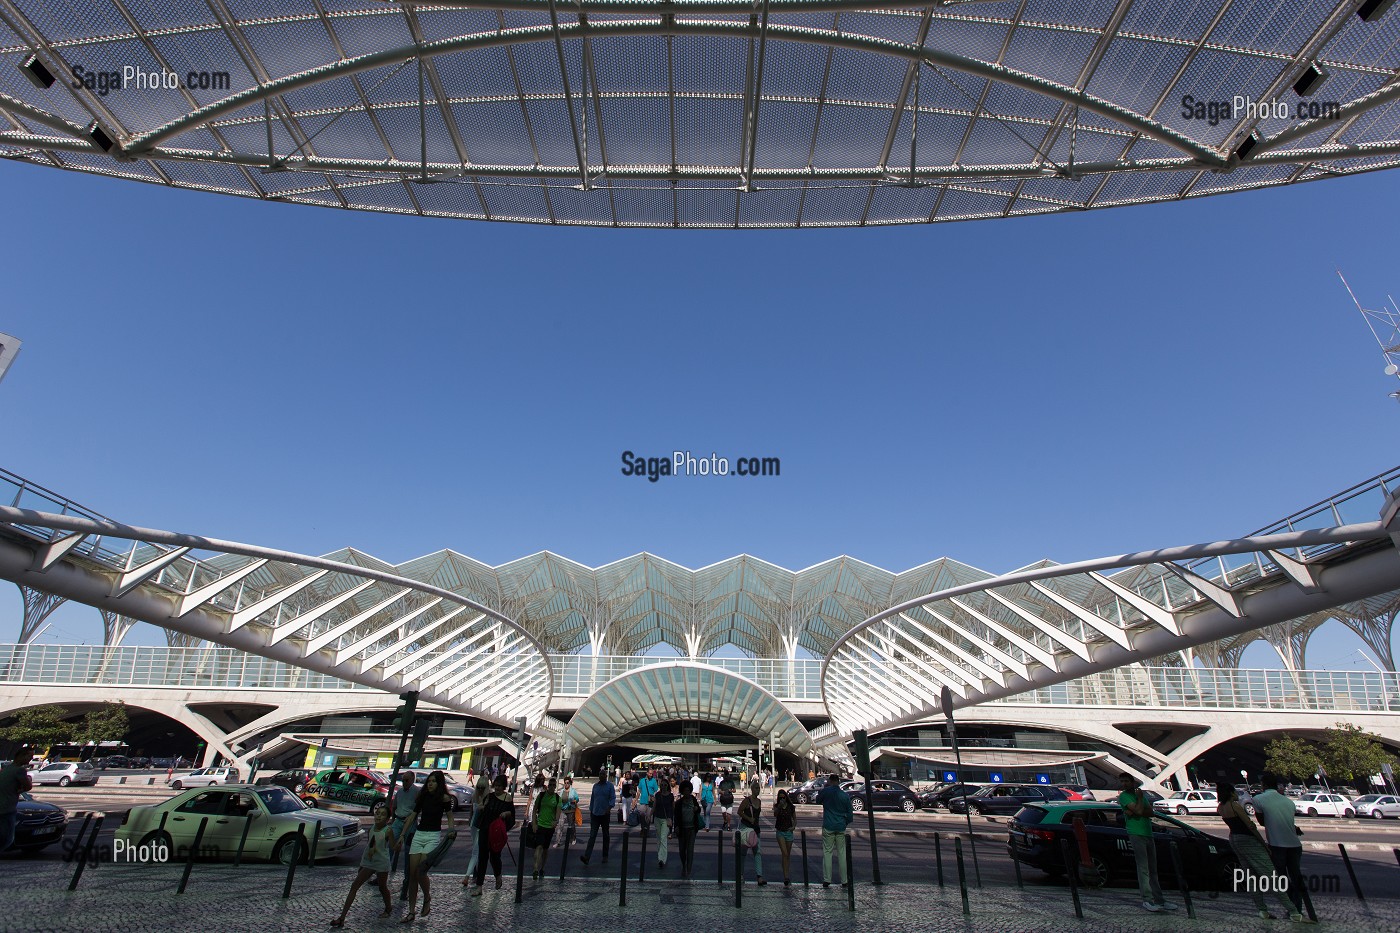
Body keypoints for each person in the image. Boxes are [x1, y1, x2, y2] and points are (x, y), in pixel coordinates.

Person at [1217, 783, 1292, 920]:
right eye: (1234, 792)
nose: (1236, 795)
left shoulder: (1221, 808)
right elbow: (1250, 826)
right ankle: (1293, 911)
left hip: (1234, 839)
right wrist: (1263, 844)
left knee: (1251, 877)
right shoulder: (1235, 806)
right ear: (1230, 793)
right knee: (1270, 875)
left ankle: (1262, 910)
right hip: (1247, 840)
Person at [1254, 772, 1313, 923]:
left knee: (1281, 879)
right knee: (1295, 876)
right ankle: (1297, 908)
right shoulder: (1288, 802)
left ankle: (1291, 906)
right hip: (1295, 845)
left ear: (1264, 785)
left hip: (1277, 845)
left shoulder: (1258, 799)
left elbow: (1262, 822)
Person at [400, 770, 456, 922]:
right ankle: (411, 911)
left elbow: (450, 817)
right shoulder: (423, 797)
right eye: (429, 781)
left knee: (421, 871)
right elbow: (413, 815)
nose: (430, 784)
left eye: (433, 781)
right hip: (419, 835)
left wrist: (451, 830)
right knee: (412, 874)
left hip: (432, 836)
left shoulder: (444, 798)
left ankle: (427, 897)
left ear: (439, 783)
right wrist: (402, 834)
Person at [1116, 773, 1176, 913]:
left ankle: (1160, 900)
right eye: (1122, 781)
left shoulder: (1136, 796)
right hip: (1136, 833)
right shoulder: (1124, 796)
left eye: (1126, 781)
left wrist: (1137, 810)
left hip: (1148, 832)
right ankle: (1147, 900)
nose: (1124, 784)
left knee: (1153, 869)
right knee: (1143, 868)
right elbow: (1138, 810)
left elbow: (1150, 813)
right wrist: (1140, 801)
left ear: (1132, 782)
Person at [331, 804, 397, 926]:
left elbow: (393, 847)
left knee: (382, 887)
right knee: (354, 886)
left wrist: (400, 842)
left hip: (381, 862)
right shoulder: (371, 828)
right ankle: (342, 918)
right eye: (377, 813)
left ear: (387, 819)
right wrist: (363, 863)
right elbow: (368, 847)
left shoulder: (387, 831)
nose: (379, 816)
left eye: (383, 815)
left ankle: (388, 908)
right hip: (369, 862)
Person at [470, 775, 516, 895]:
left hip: (496, 831)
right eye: (495, 786)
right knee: (482, 857)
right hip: (485, 828)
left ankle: (498, 875)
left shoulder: (507, 798)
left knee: (495, 857)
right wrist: (480, 807)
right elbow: (482, 807)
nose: (497, 788)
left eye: (499, 786)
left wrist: (506, 814)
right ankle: (479, 886)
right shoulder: (489, 796)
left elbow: (512, 814)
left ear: (504, 787)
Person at [816, 776, 852, 888]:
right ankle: (844, 880)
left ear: (830, 781)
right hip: (840, 826)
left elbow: (818, 800)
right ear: (839, 782)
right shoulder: (844, 795)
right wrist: (845, 822)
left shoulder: (826, 792)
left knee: (827, 852)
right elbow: (850, 814)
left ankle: (827, 879)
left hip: (828, 824)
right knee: (842, 853)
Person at [0, 749, 34, 852]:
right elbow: (28, 787)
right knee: (7, 840)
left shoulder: (7, 768)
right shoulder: (19, 770)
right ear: (21, 756)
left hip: (3, 807)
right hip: (7, 809)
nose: (30, 760)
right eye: (29, 757)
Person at [580, 768, 615, 866]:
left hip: (605, 814)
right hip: (595, 813)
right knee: (592, 835)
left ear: (606, 776)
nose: (602, 776)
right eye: (600, 774)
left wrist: (609, 807)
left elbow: (613, 798)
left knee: (605, 835)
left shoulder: (610, 786)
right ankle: (587, 856)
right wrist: (591, 809)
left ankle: (605, 855)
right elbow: (592, 798)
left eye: (603, 774)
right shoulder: (595, 786)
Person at [531, 777, 561, 880]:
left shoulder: (557, 798)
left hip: (549, 827)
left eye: (554, 785)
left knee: (545, 849)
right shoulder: (542, 796)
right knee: (538, 846)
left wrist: (555, 821)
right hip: (541, 825)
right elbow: (535, 809)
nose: (552, 787)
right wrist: (534, 823)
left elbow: (558, 812)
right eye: (551, 785)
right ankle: (535, 868)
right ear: (548, 786)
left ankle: (542, 868)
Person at [737, 780, 767, 885]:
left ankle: (759, 876)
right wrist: (749, 819)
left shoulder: (759, 801)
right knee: (743, 853)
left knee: (757, 852)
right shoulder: (747, 801)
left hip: (755, 829)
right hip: (746, 828)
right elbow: (739, 811)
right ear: (752, 789)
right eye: (756, 788)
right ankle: (740, 875)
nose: (757, 790)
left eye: (758, 788)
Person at [389, 771, 419, 869]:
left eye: (406, 780)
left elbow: (418, 808)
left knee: (408, 850)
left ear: (411, 780)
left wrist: (412, 817)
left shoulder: (416, 791)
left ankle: (407, 878)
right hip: (398, 820)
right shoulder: (400, 791)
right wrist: (393, 819)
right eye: (403, 780)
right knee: (390, 846)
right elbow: (394, 806)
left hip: (410, 822)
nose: (404, 782)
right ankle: (383, 872)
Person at [462, 774, 489, 884]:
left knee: (476, 851)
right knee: (477, 850)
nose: (480, 790)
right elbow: (472, 810)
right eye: (479, 787)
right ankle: (476, 874)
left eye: (483, 788)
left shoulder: (488, 798)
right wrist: (470, 820)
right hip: (474, 825)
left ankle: (468, 876)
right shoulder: (475, 795)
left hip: (482, 826)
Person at [674, 780, 701, 878]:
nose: (686, 793)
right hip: (682, 828)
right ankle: (684, 865)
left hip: (692, 828)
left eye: (688, 790)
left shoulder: (693, 799)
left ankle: (688, 869)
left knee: (690, 849)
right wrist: (675, 827)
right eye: (685, 791)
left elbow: (698, 809)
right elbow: (676, 816)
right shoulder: (679, 803)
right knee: (682, 849)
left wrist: (696, 809)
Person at [772, 788, 796, 885]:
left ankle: (786, 876)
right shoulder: (777, 806)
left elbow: (795, 818)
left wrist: (793, 827)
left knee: (787, 855)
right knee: (785, 853)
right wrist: (779, 807)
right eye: (780, 798)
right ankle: (786, 876)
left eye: (784, 797)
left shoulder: (791, 807)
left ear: (786, 797)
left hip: (788, 831)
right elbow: (775, 814)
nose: (782, 799)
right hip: (780, 831)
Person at [653, 774, 674, 869]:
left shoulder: (670, 796)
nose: (663, 786)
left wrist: (672, 819)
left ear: (668, 786)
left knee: (663, 838)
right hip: (657, 818)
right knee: (658, 839)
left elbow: (673, 808)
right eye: (662, 785)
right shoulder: (657, 795)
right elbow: (654, 806)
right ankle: (659, 857)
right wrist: (649, 815)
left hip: (666, 819)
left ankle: (662, 859)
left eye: (665, 785)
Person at [555, 776, 579, 848]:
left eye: (567, 783)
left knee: (571, 825)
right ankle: (557, 841)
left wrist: (574, 801)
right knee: (560, 826)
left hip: (571, 810)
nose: (566, 784)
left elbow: (577, 798)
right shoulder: (562, 791)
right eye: (565, 783)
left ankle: (573, 838)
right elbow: (559, 800)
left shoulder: (573, 791)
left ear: (570, 783)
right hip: (563, 810)